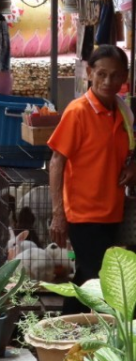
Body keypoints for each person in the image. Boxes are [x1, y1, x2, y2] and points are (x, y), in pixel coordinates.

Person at [49, 46, 135, 314]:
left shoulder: (122, 113)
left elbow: (129, 152)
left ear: (125, 77)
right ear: (89, 73)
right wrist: (57, 213)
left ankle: (64, 331)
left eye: (115, 75)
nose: (108, 82)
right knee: (97, 276)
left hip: (112, 210)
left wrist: (132, 167)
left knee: (88, 277)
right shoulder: (78, 112)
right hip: (83, 212)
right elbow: (56, 161)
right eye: (102, 74)